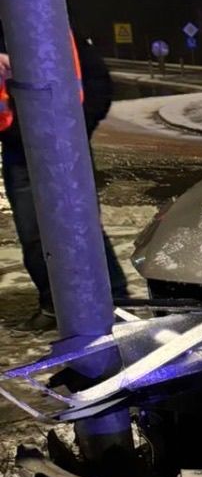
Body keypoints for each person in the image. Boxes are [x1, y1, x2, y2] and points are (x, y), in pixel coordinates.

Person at [0, 21, 128, 330]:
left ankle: (117, 302)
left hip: (65, 149)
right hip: (19, 152)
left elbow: (98, 83)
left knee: (81, 226)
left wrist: (77, 129)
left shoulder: (50, 26)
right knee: (33, 233)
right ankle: (53, 303)